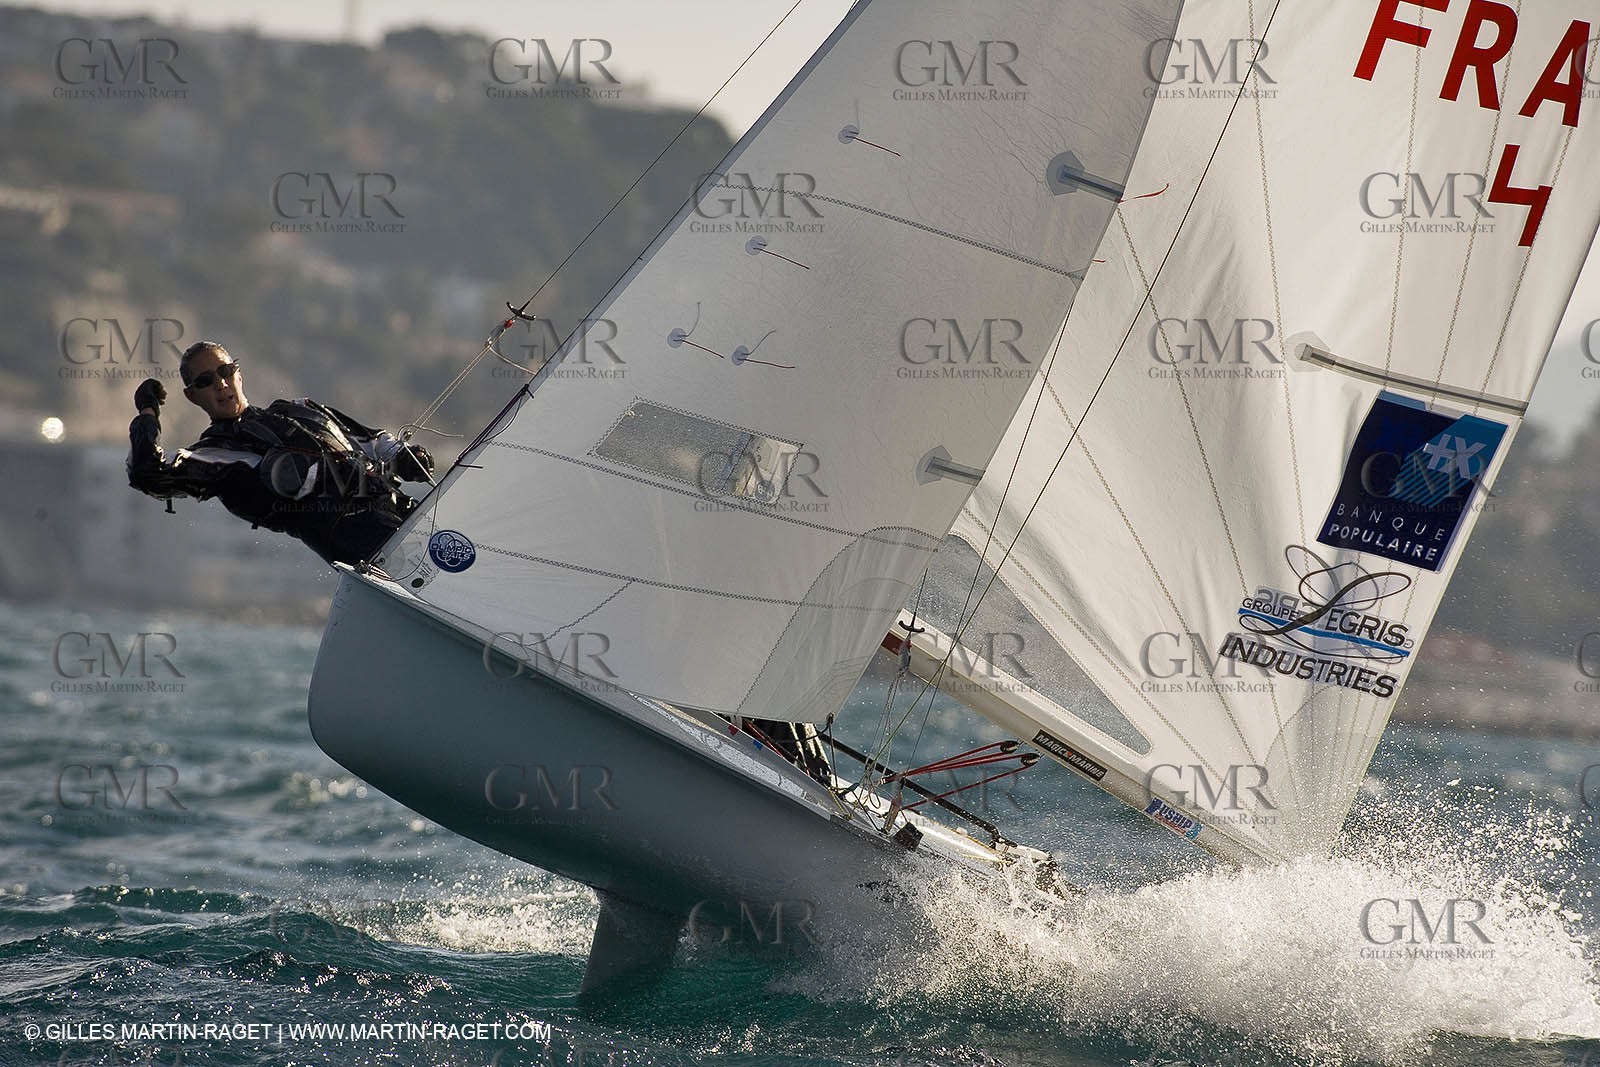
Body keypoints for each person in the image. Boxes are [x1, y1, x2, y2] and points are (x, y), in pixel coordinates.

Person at [127, 340, 434, 567]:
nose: (220, 383)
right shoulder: (214, 454)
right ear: (192, 396)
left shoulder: (299, 409)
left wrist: (404, 456)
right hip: (357, 541)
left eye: (225, 371)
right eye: (206, 381)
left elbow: (373, 440)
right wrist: (147, 416)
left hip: (401, 508)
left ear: (238, 373)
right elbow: (149, 475)